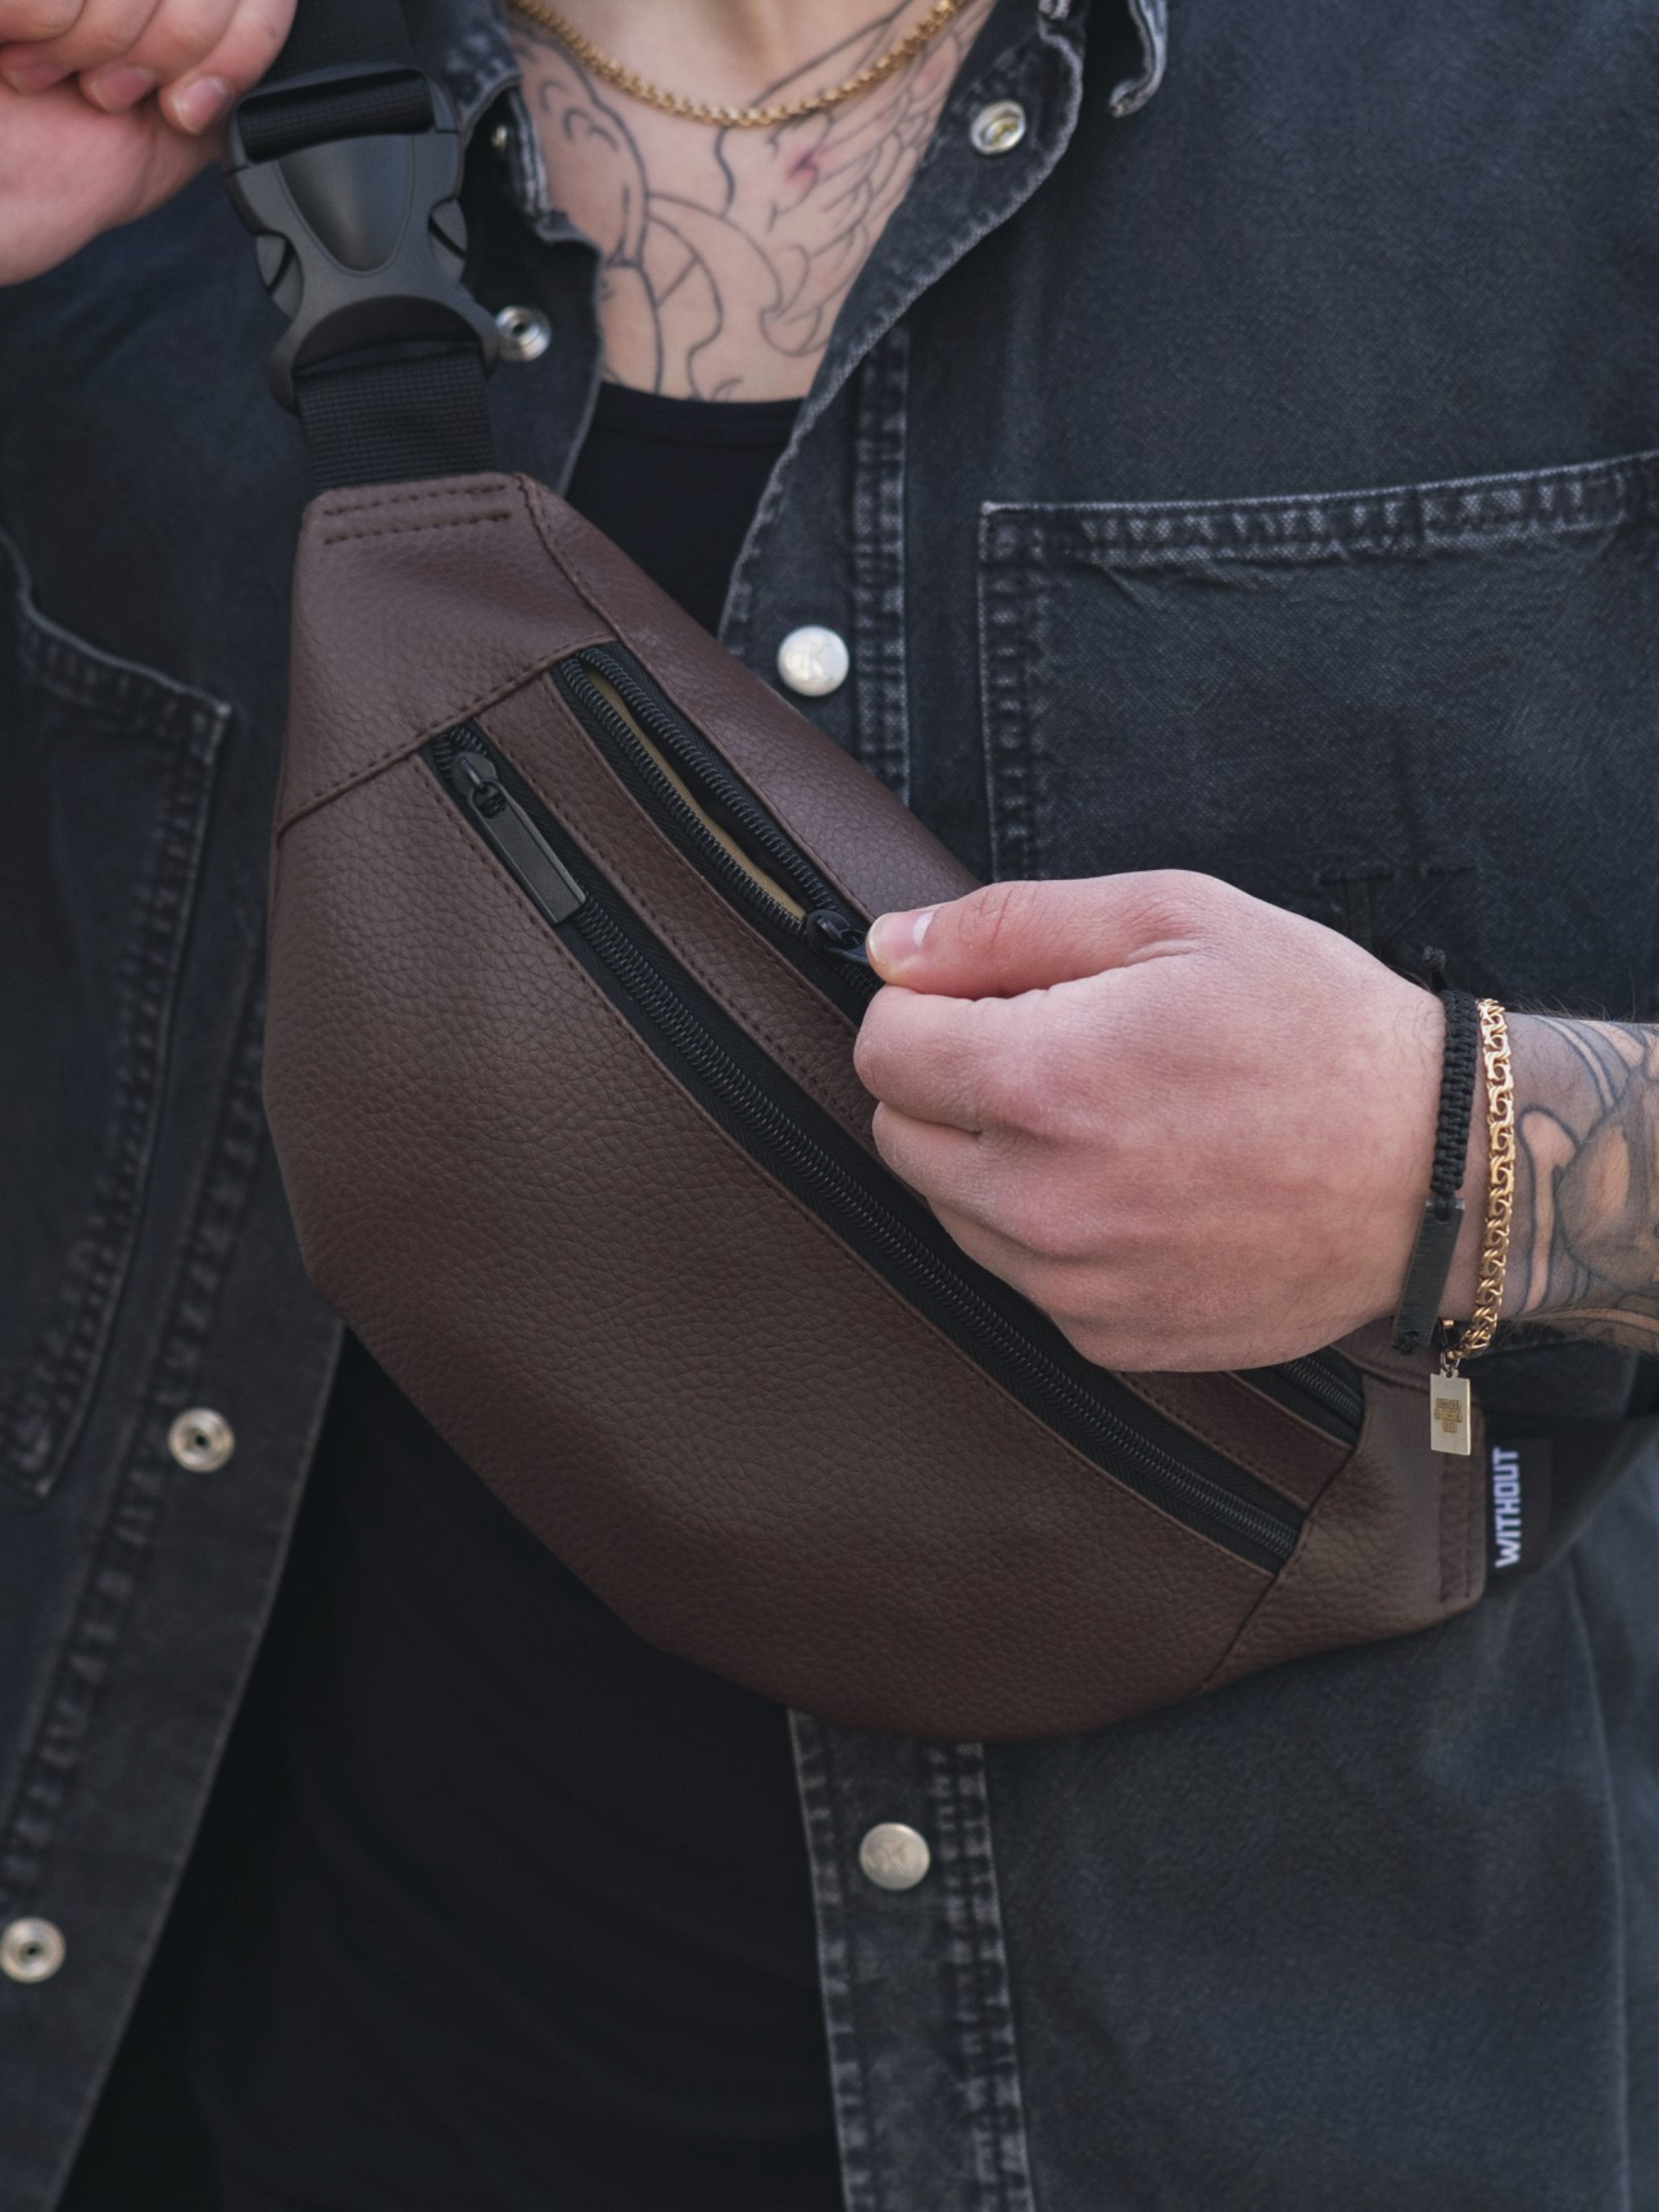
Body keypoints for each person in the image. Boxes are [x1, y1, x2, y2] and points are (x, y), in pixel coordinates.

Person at [2, 0, 1657, 2205]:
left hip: (1283, 2111)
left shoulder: (1572, 97)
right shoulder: (153, 97)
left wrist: (1452, 1152)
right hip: (235, 2090)